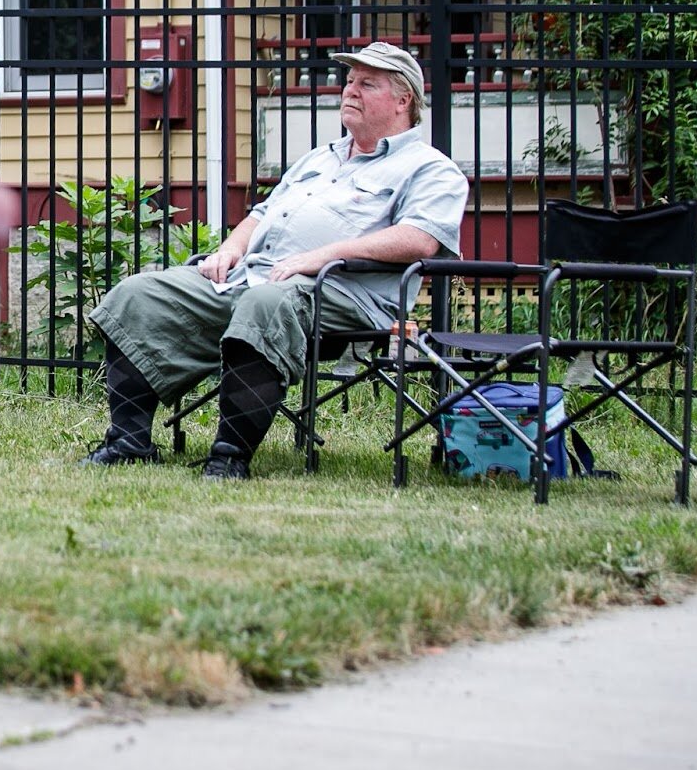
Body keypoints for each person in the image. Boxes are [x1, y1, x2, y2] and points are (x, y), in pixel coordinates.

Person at [79, 41, 468, 479]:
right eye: (350, 81)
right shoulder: (321, 158)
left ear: (403, 101)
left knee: (265, 305)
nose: (350, 91)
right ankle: (129, 441)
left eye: (367, 84)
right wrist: (230, 248)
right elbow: (261, 214)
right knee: (138, 295)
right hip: (257, 277)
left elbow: (420, 239)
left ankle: (229, 457)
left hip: (342, 294)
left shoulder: (429, 168)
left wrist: (319, 257)